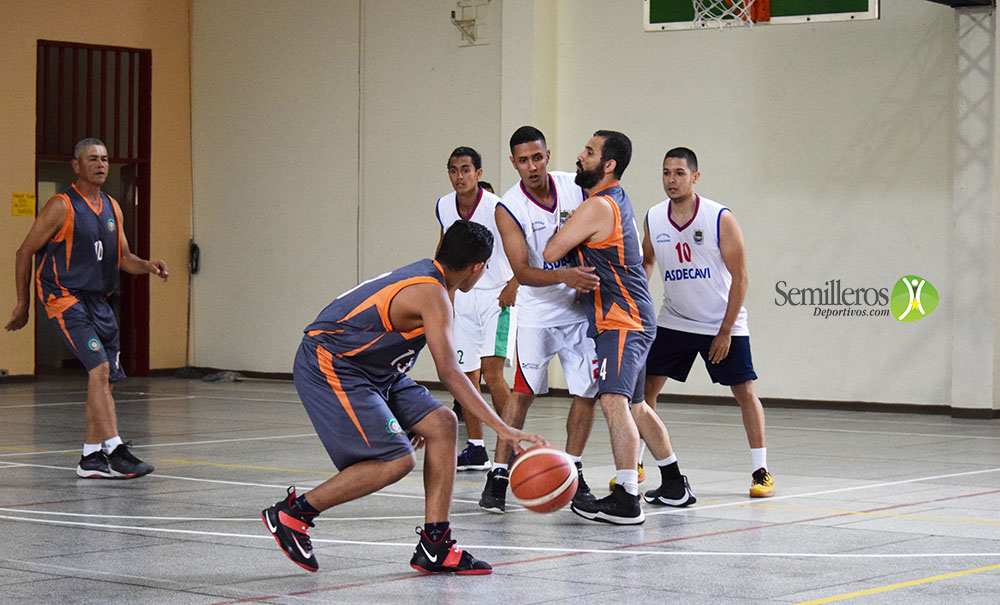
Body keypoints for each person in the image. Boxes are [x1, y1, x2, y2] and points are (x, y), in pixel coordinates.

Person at [262, 221, 545, 574]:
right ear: (477, 267)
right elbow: (450, 373)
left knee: (442, 423)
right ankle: (293, 513)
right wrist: (502, 427)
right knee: (396, 460)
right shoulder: (433, 293)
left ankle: (435, 546)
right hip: (332, 362)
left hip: (376, 368)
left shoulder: (436, 281)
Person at [543, 130, 695, 525]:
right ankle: (675, 483)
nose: (580, 156)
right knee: (637, 404)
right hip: (634, 315)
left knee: (613, 401)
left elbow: (550, 252)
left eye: (589, 152)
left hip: (622, 320)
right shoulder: (616, 199)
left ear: (608, 165)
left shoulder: (597, 206)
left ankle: (627, 496)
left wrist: (565, 225)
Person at [5, 137, 167, 479]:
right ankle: (116, 450)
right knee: (99, 370)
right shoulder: (61, 205)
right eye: (92, 158)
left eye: (105, 158)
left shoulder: (112, 207)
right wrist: (23, 305)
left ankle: (91, 457)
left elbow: (124, 258)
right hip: (64, 296)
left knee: (102, 378)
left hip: (99, 301)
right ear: (76, 165)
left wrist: (150, 266)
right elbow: (23, 252)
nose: (101, 164)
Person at [479, 126, 601, 514]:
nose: (532, 166)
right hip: (537, 312)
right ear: (513, 163)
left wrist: (586, 277)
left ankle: (574, 470)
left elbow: (597, 235)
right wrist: (566, 276)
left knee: (586, 392)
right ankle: (499, 473)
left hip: (579, 311)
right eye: (523, 160)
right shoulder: (509, 206)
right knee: (522, 393)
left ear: (548, 155)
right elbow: (523, 271)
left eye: (537, 157)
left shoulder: (574, 187)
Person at [642, 147, 773, 498]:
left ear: (695, 177)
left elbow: (741, 277)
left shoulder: (719, 217)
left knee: (745, 392)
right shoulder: (654, 217)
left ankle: (761, 472)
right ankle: (638, 463)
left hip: (720, 321)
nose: (672, 179)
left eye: (679, 173)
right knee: (643, 392)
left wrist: (726, 329)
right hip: (675, 319)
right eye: (666, 172)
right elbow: (648, 260)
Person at [434, 147, 518, 471]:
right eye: (454, 170)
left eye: (466, 170)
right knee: (466, 379)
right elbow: (442, 249)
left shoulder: (497, 207)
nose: (460, 176)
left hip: (498, 296)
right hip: (463, 297)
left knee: (493, 374)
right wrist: (441, 289)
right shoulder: (444, 205)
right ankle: (476, 448)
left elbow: (518, 248)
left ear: (478, 174)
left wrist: (515, 284)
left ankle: (511, 444)